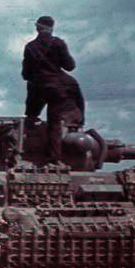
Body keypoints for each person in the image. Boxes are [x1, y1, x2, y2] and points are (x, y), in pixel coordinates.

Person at [21, 15, 85, 164]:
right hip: (58, 89)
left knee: (31, 115)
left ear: (37, 27)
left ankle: (29, 123)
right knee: (55, 123)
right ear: (52, 28)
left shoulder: (30, 47)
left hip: (38, 89)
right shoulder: (58, 43)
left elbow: (25, 74)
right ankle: (54, 158)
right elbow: (70, 66)